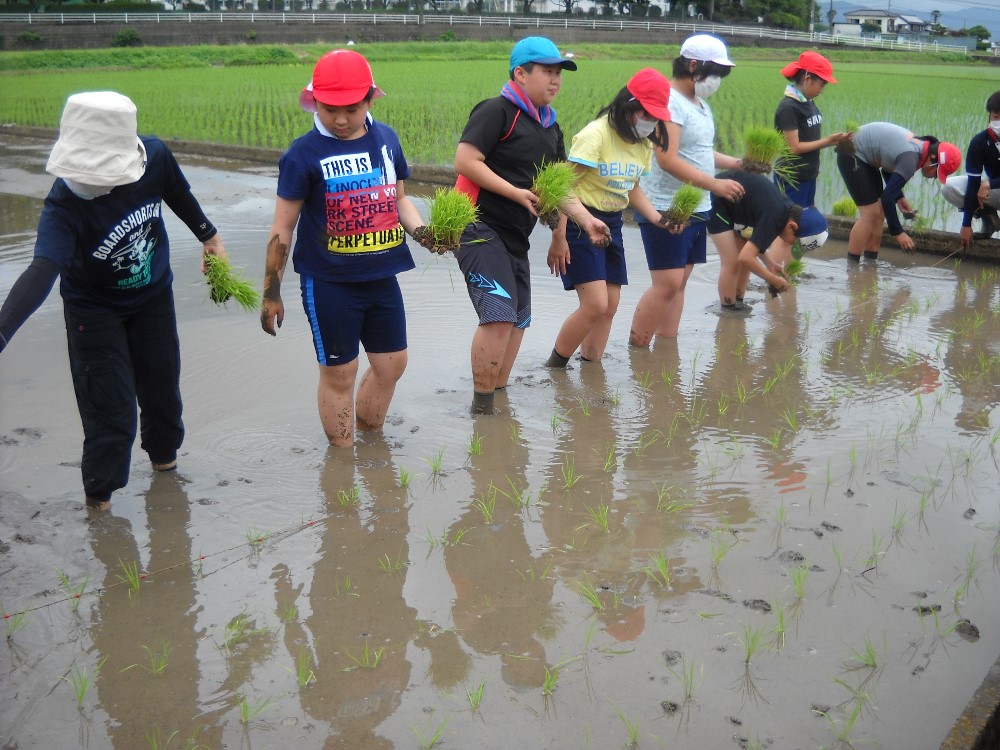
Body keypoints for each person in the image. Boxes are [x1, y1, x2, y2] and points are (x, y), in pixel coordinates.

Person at [0, 91, 227, 511]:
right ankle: (99, 510)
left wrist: (209, 236)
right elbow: (41, 270)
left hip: (153, 296)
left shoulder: (154, 157)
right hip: (93, 310)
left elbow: (178, 194)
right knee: (111, 414)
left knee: (162, 394)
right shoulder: (63, 203)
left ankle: (166, 476)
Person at [260, 50, 431, 447]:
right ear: (314, 101)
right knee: (340, 374)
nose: (339, 119)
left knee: (392, 364)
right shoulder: (303, 154)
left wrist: (424, 232)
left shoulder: (386, 139)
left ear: (371, 99)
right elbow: (283, 227)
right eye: (329, 108)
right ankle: (342, 459)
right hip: (329, 282)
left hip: (381, 276)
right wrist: (271, 292)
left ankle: (371, 436)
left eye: (351, 108)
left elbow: (400, 199)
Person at [453, 36, 610, 414]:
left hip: (514, 235)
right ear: (520, 73)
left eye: (559, 73)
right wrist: (516, 193)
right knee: (499, 315)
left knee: (519, 318)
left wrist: (587, 220)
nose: (555, 80)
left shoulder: (550, 129)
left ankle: (497, 400)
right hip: (478, 225)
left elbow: (558, 189)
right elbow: (466, 160)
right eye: (547, 72)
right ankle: (482, 411)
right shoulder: (498, 112)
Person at [545, 68, 675, 368]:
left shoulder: (642, 144)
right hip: (581, 220)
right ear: (629, 106)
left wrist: (658, 219)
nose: (651, 122)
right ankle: (556, 366)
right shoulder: (596, 135)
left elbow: (633, 189)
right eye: (647, 113)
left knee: (610, 305)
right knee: (595, 304)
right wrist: (559, 235)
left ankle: (592, 366)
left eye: (656, 116)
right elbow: (561, 187)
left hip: (612, 223)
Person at [629, 34, 746, 345]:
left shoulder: (700, 104)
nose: (719, 79)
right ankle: (637, 349)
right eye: (716, 72)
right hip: (667, 205)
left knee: (679, 284)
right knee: (666, 284)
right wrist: (714, 183)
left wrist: (738, 163)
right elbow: (666, 158)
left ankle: (667, 347)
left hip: (698, 205)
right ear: (694, 65)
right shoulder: (668, 101)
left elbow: (702, 152)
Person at [836, 122, 960, 260]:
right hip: (852, 152)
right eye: (937, 172)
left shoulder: (919, 151)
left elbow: (888, 171)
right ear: (932, 158)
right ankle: (852, 267)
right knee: (870, 214)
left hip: (866, 159)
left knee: (879, 213)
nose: (934, 177)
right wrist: (898, 232)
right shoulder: (911, 158)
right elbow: (887, 198)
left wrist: (900, 198)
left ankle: (870, 265)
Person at [707, 169, 829, 299]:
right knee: (732, 262)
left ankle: (738, 301)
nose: (790, 243)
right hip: (718, 199)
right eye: (794, 240)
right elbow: (746, 257)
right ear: (792, 226)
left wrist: (770, 263)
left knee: (744, 250)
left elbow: (754, 245)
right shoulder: (775, 217)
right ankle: (728, 312)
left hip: (735, 206)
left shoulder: (785, 212)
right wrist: (772, 279)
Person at [773, 50, 850, 208]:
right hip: (792, 177)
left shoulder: (807, 101)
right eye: (822, 85)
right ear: (807, 79)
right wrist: (828, 141)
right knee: (790, 225)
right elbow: (793, 148)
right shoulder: (789, 107)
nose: (822, 90)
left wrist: (836, 141)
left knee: (805, 221)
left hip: (808, 174)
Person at [940, 90, 1000, 248]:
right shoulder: (980, 142)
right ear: (990, 116)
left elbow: (985, 185)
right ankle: (989, 219)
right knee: (949, 187)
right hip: (996, 190)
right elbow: (973, 183)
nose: (999, 121)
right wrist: (966, 224)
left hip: (993, 186)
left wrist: (988, 185)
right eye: (996, 116)